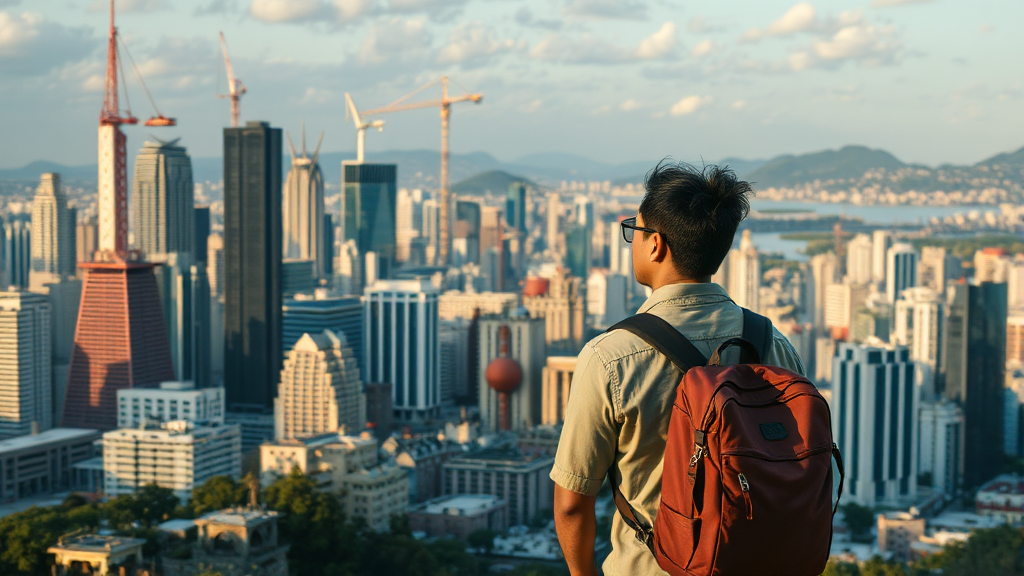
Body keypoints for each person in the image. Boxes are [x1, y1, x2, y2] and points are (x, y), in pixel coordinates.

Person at [550, 161, 806, 576]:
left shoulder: (610, 357)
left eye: (634, 230)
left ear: (655, 245)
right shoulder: (774, 344)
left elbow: (571, 502)